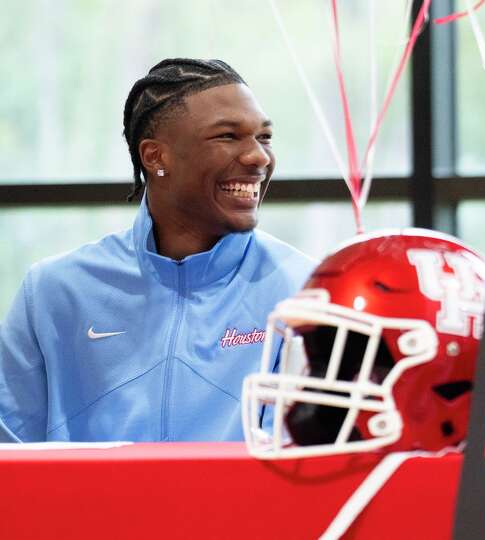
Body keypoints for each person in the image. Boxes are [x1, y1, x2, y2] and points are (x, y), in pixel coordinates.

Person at [0, 59, 316, 442]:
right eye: (228, 136)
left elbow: (311, 462)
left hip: (245, 505)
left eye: (263, 137)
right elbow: (11, 456)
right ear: (155, 157)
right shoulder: (54, 291)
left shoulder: (304, 293)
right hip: (80, 505)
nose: (258, 157)